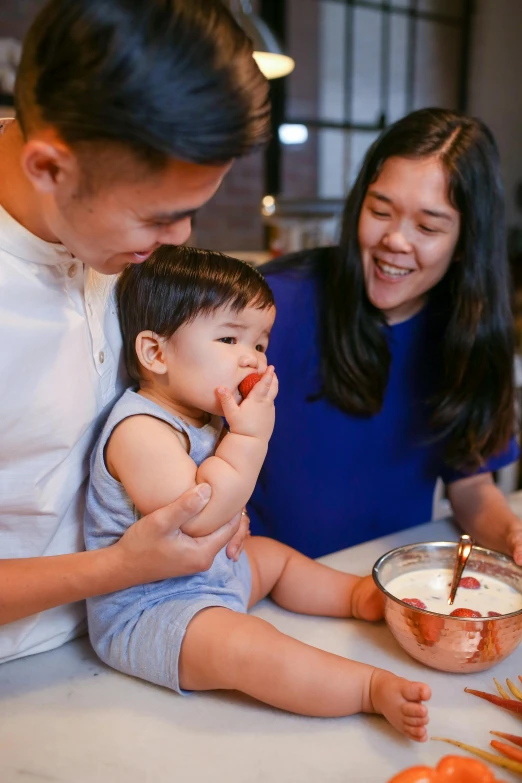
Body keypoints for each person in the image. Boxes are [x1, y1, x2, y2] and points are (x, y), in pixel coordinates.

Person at [0, 0, 270, 663]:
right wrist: (120, 567)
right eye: (158, 217)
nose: (177, 239)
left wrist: (212, 492)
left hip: (129, 639)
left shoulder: (109, 240)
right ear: (49, 168)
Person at [84, 246, 431, 739]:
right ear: (155, 353)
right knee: (249, 645)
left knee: (273, 557)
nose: (251, 358)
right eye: (229, 338)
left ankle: (356, 596)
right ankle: (365, 688)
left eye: (261, 345)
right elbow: (198, 520)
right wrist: (250, 439)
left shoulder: (200, 415)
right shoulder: (140, 431)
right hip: (152, 611)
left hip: (211, 577)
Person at [248, 107, 522, 561]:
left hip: (390, 587)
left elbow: (471, 485)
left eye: (428, 227)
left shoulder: (465, 336)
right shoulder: (272, 303)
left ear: (464, 244)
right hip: (263, 588)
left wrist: (511, 535)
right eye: (380, 210)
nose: (395, 239)